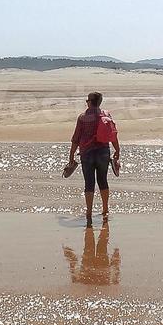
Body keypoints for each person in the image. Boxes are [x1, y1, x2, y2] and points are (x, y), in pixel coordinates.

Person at [68, 92, 120, 226]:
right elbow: (113, 134)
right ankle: (105, 209)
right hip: (103, 152)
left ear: (90, 102)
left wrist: (71, 156)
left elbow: (76, 138)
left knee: (89, 183)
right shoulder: (106, 115)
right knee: (103, 180)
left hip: (87, 154)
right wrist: (117, 150)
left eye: (87, 101)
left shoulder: (83, 117)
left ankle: (89, 212)